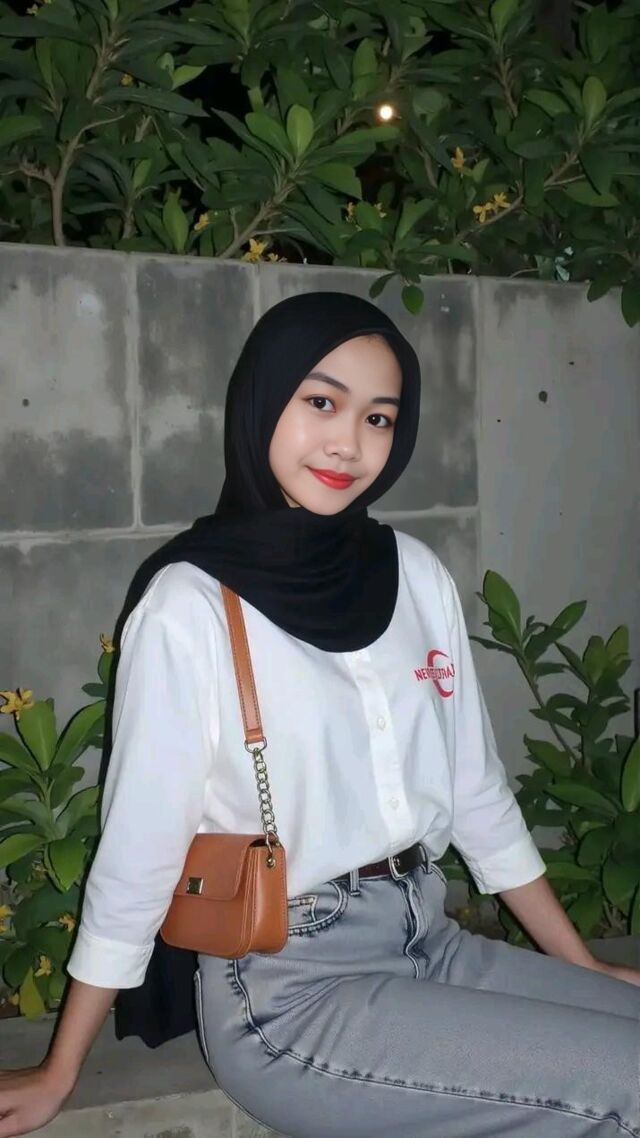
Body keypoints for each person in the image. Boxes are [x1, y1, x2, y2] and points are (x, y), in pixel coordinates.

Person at [0, 292, 638, 1138]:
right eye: (321, 402)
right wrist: (61, 1068)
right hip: (289, 992)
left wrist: (582, 966)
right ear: (262, 401)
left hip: (429, 940)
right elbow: (139, 851)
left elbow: (477, 795)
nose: (349, 443)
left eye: (379, 417)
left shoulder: (414, 574)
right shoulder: (191, 604)